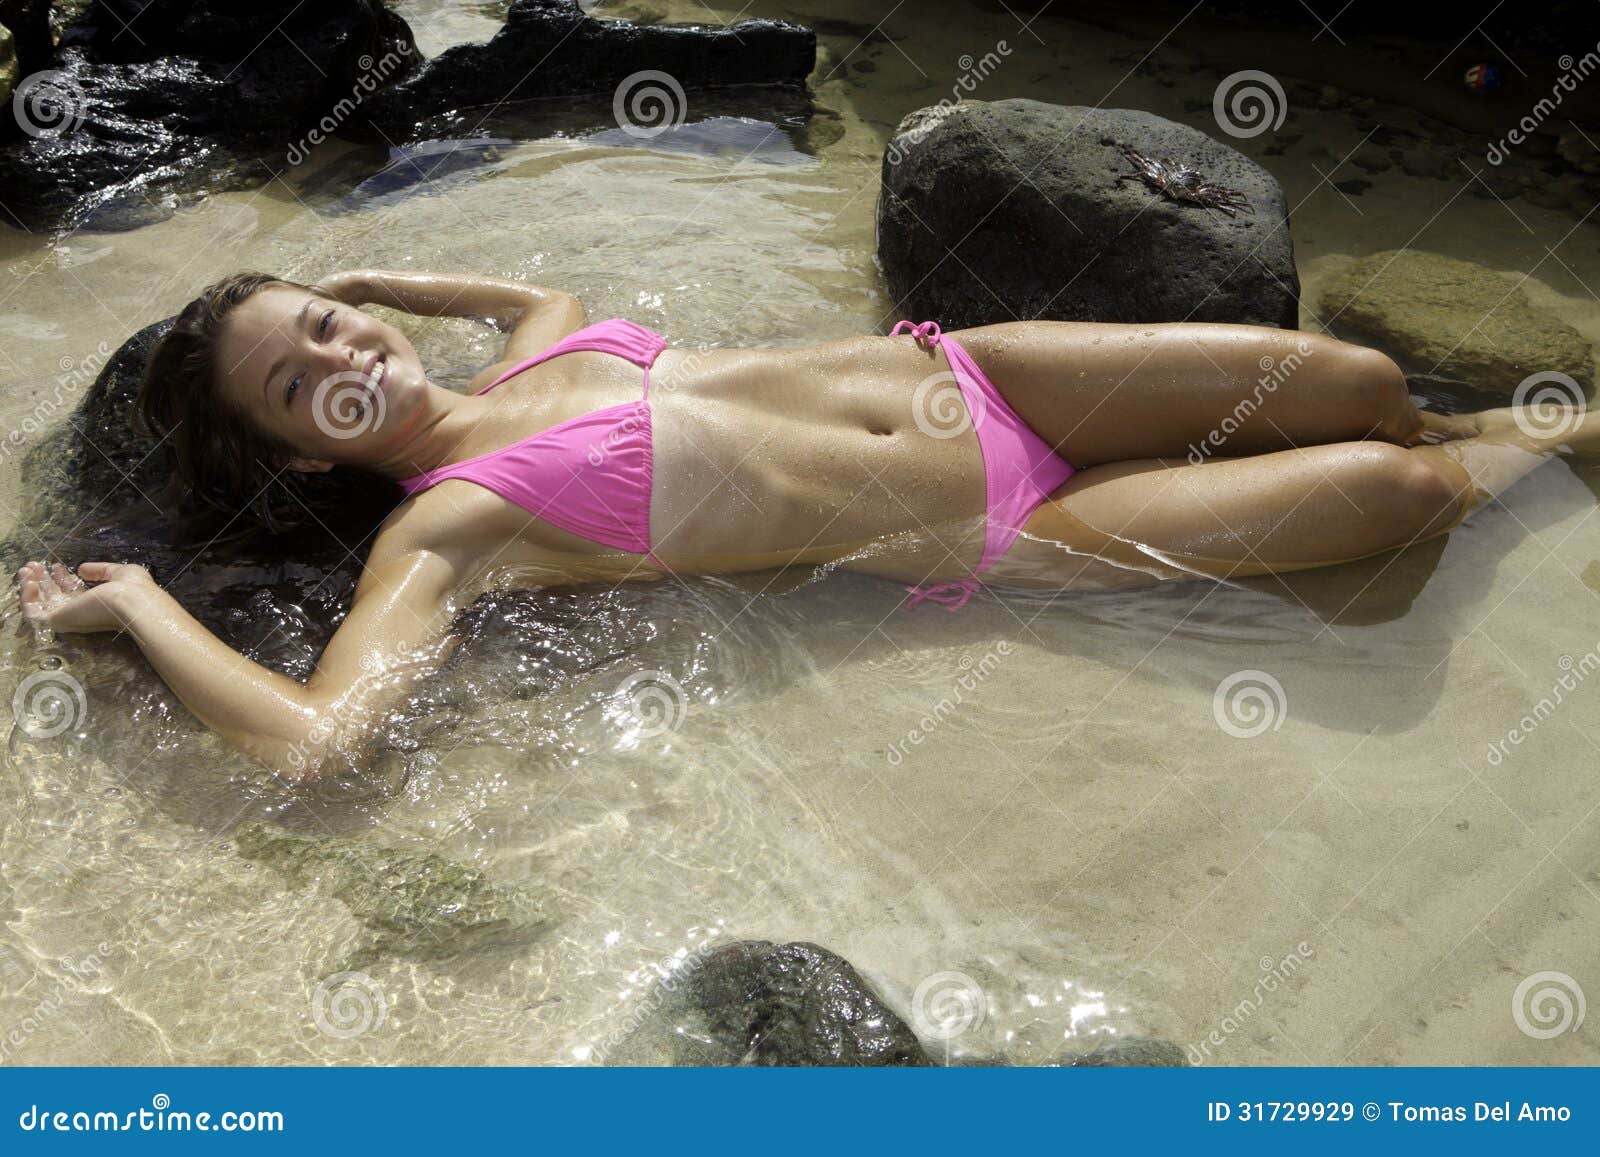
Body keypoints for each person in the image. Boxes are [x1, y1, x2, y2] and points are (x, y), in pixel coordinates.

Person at [14, 269, 1583, 780]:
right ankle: (1541, 443)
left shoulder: (546, 337)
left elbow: (505, 288)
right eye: (301, 385)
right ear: (297, 459)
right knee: (1401, 492)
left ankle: (1482, 416)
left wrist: (394, 284)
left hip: (987, 375)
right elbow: (320, 739)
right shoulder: (451, 532)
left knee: (1361, 374)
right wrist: (141, 605)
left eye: (332, 325)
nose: (350, 362)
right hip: (1023, 517)